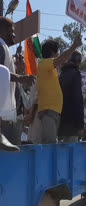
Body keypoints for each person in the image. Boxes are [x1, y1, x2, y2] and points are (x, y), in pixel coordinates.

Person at [37, 36, 82, 144]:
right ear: (53, 52)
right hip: (48, 112)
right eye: (58, 52)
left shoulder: (51, 69)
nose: (59, 55)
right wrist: (74, 45)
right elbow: (62, 58)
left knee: (52, 146)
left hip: (54, 112)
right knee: (49, 146)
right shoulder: (44, 63)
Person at [0, 17, 35, 151]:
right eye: (12, 30)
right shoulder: (0, 48)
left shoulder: (4, 49)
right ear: (3, 30)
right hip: (4, 117)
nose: (14, 34)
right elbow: (2, 73)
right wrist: (21, 78)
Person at [58, 50, 84, 142]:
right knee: (72, 150)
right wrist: (80, 124)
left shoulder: (62, 74)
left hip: (62, 118)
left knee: (63, 150)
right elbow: (77, 99)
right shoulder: (76, 73)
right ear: (79, 61)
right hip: (73, 120)